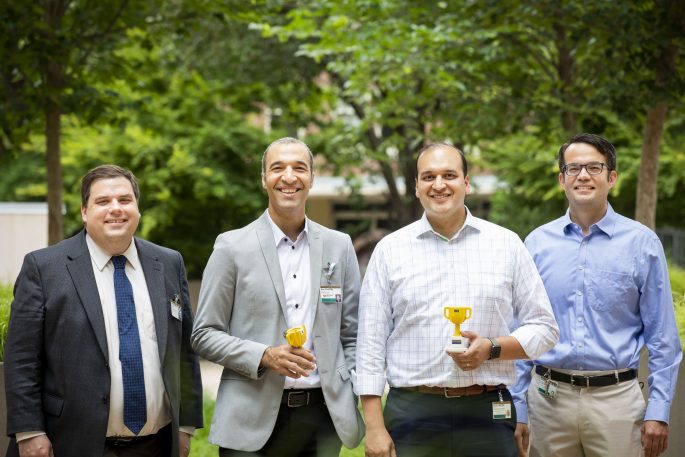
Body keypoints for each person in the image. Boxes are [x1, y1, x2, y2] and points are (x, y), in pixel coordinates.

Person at [355, 143, 559, 457]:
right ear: (417, 187)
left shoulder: (507, 245)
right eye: (428, 177)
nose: (439, 184)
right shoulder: (389, 251)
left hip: (487, 410)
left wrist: (492, 348)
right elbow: (369, 344)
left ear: (466, 183)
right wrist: (373, 427)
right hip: (413, 410)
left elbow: (545, 328)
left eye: (449, 175)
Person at [4, 165, 203, 457]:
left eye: (125, 200)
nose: (116, 208)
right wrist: (29, 431)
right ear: (85, 212)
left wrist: (185, 426)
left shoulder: (169, 263)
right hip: (69, 443)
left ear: (137, 208)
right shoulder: (44, 268)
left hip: (157, 445)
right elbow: (22, 358)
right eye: (103, 201)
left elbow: (184, 350)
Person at [512, 133, 682, 457]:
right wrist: (517, 407)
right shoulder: (535, 244)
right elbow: (522, 329)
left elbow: (663, 337)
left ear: (611, 177)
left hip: (617, 404)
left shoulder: (642, 244)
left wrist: (658, 411)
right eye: (573, 168)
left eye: (594, 167)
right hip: (548, 402)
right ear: (562, 179)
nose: (583, 175)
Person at [191, 137, 364, 456]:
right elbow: (204, 334)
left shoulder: (339, 246)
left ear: (312, 177)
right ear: (264, 179)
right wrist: (264, 355)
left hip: (322, 420)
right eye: (277, 168)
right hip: (249, 419)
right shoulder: (231, 247)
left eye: (299, 168)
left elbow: (352, 335)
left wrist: (348, 390)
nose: (289, 176)